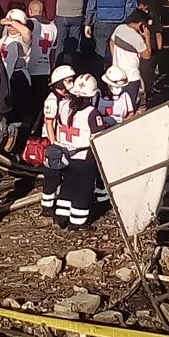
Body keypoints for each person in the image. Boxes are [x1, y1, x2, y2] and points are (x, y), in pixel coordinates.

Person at [52, 74, 106, 230]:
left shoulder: (63, 106)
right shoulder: (92, 113)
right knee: (83, 191)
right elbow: (98, 137)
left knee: (67, 186)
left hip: (66, 154)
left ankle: (61, 216)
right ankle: (77, 222)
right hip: (84, 157)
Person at [39, 65, 77, 217]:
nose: (71, 83)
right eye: (68, 80)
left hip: (63, 141)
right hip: (53, 142)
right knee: (52, 175)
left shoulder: (67, 97)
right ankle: (47, 206)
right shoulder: (52, 100)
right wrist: (54, 144)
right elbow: (49, 123)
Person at [85, 0, 134, 71]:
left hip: (101, 24)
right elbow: (130, 9)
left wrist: (88, 23)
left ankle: (101, 76)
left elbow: (91, 7)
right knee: (118, 53)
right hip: (119, 24)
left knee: (100, 53)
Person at [109, 10, 151, 108]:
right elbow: (147, 55)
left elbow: (111, 42)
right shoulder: (137, 38)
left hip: (116, 74)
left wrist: (115, 60)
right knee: (129, 106)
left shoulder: (119, 28)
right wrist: (147, 37)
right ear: (141, 24)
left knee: (117, 104)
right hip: (131, 77)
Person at [53, 0, 90, 64]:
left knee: (61, 43)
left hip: (62, 15)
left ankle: (58, 66)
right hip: (77, 16)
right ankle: (72, 66)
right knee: (73, 45)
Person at [27, 0, 57, 118]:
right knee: (39, 104)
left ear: (30, 11)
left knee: (28, 104)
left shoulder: (30, 23)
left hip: (30, 68)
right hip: (45, 69)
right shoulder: (53, 27)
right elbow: (53, 52)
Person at [136, 0, 162, 100]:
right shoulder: (136, 17)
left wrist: (159, 47)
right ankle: (146, 91)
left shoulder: (152, 17)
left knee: (149, 71)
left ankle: (149, 90)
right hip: (140, 48)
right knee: (144, 71)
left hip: (150, 47)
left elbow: (158, 33)